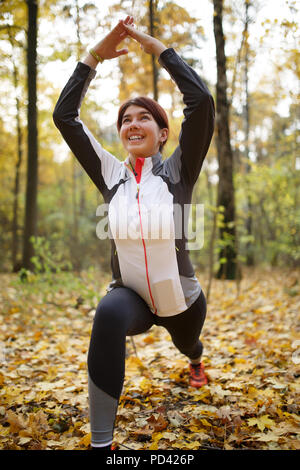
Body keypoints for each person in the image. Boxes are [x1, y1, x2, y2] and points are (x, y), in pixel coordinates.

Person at [53, 16, 215, 450]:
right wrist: (92, 59)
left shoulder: (179, 170)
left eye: (144, 118)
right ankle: (102, 445)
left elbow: (200, 101)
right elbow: (64, 116)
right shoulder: (111, 175)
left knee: (188, 344)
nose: (133, 124)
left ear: (163, 134)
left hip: (182, 301)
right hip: (134, 298)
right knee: (106, 313)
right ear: (122, 133)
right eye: (126, 119)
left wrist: (159, 49)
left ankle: (196, 359)